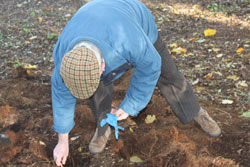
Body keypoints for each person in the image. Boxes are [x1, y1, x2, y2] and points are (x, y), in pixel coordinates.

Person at [51, 0, 221, 166]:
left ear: (102, 66)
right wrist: (62, 142)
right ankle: (104, 126)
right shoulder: (64, 61)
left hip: (135, 22)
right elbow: (61, 99)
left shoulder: (129, 40)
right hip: (93, 20)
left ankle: (195, 112)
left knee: (168, 74)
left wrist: (130, 106)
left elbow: (151, 66)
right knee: (98, 89)